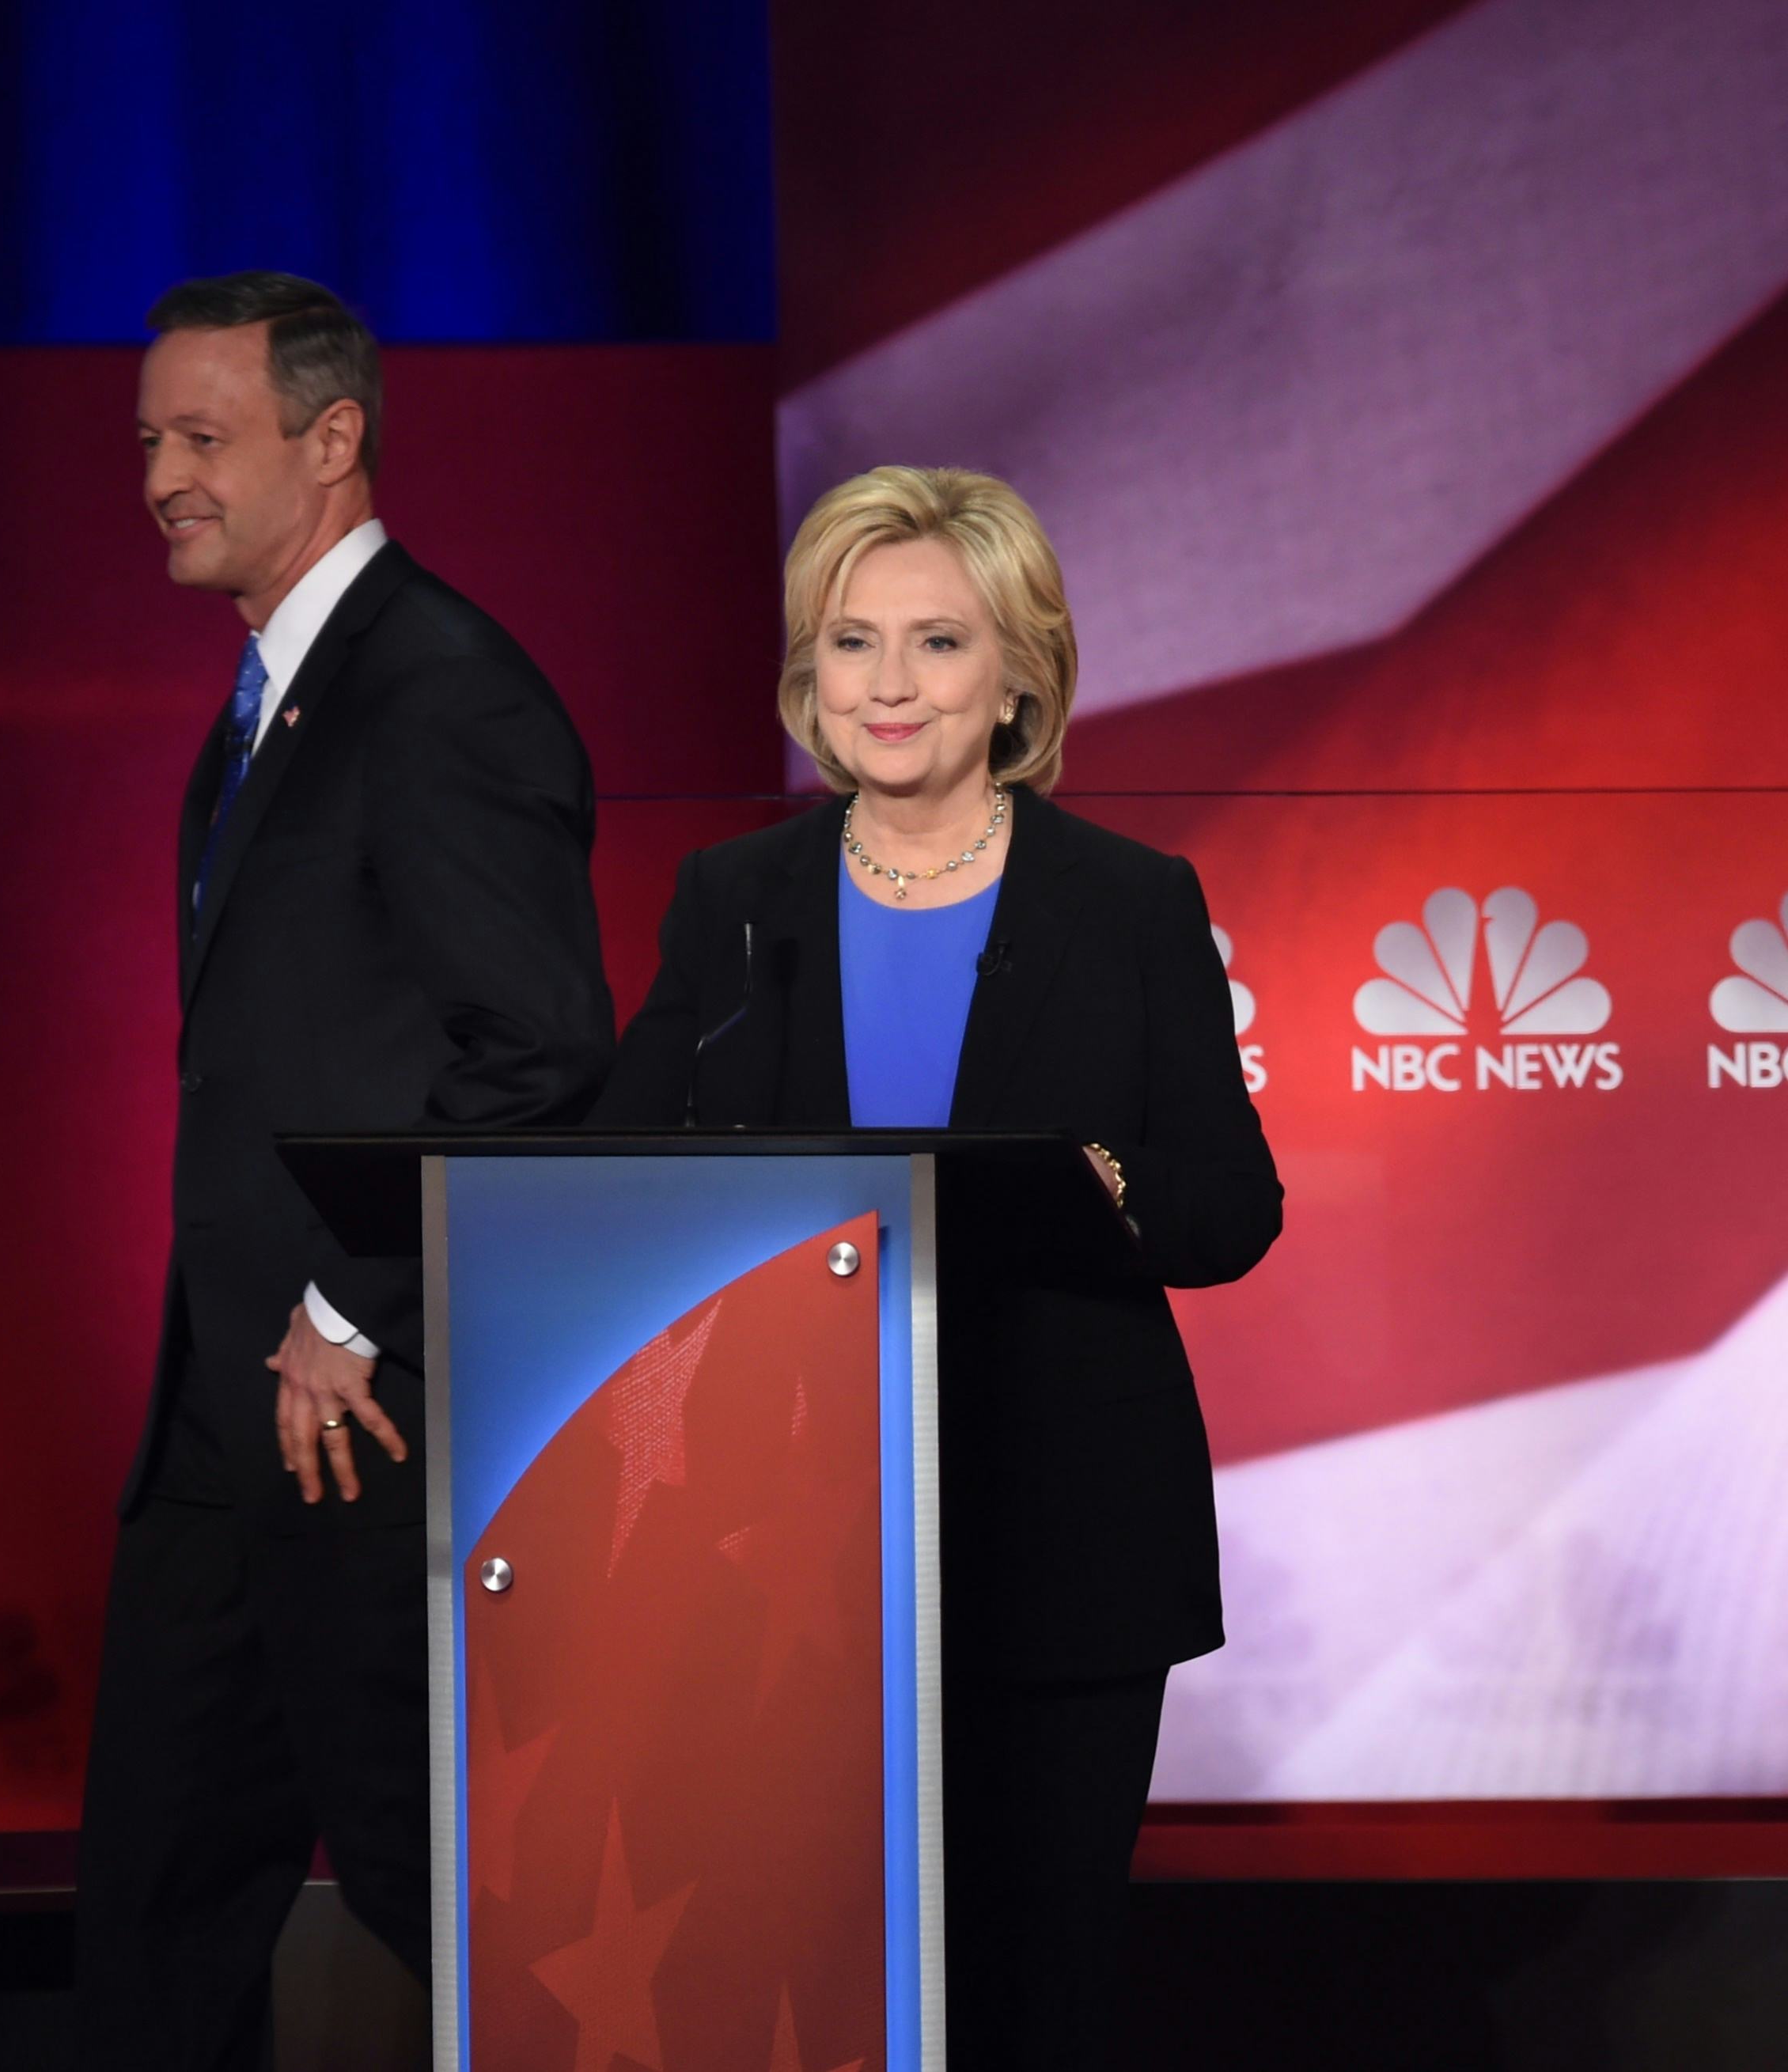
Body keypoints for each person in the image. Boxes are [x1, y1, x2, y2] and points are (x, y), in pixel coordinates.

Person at [594, 464, 1280, 2066]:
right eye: (851, 642)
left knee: (1033, 1988)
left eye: (937, 641)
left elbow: (1231, 1205)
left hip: (1061, 1534)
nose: (887, 684)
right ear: (808, 675)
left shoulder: (1127, 903)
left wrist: (1109, 1181)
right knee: (815, 1989)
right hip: (782, 1536)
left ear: (1018, 676)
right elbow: (615, 1168)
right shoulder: (733, 900)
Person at [77, 272, 612, 2068]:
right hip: (226, 1407)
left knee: (444, 1880)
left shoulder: (440, 688)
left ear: (331, 440)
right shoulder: (278, 700)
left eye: (200, 436)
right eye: (148, 439)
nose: (161, 476)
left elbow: (540, 1049)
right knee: (155, 1900)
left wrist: (348, 1305)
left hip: (366, 1405)